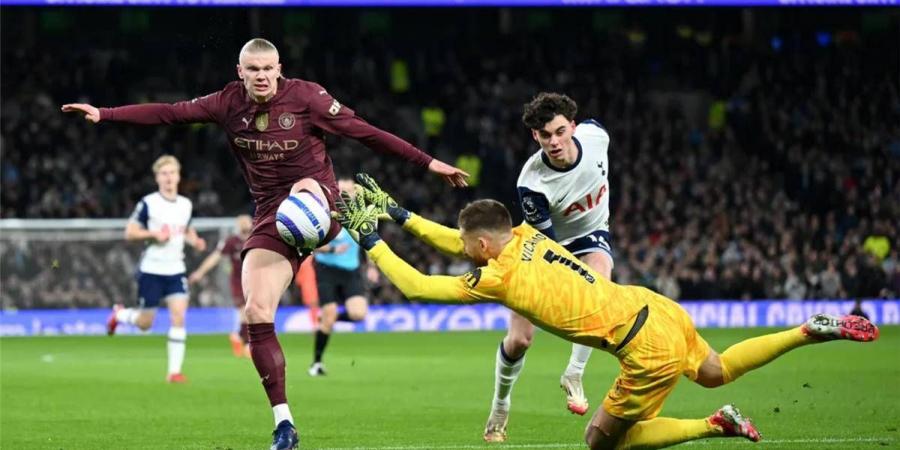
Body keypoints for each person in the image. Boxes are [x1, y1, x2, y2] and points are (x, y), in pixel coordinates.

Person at [62, 38, 468, 450]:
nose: (261, 76)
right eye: (252, 69)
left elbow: (365, 132)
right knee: (256, 311)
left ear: (279, 69)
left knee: (305, 190)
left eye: (268, 68)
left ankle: (328, 218)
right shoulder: (226, 103)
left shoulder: (307, 97)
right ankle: (284, 424)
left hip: (320, 202)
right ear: (240, 71)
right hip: (271, 217)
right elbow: (169, 113)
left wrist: (428, 162)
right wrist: (105, 113)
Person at [338, 174, 879, 450]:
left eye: (468, 242)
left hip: (642, 348)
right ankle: (807, 330)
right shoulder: (523, 233)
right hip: (652, 304)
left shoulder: (498, 278)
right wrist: (398, 214)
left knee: (601, 441)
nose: (463, 245)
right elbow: (460, 242)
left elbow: (418, 287)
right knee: (717, 370)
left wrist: (372, 243)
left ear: (483, 246)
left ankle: (715, 425)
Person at [481, 92, 614, 441]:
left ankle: (574, 372)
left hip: (590, 234)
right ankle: (501, 403)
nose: (553, 142)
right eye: (544, 136)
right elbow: (550, 250)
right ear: (534, 137)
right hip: (541, 247)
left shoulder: (597, 136)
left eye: (559, 131)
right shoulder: (532, 183)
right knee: (521, 340)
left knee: (600, 285)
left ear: (573, 126)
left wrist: (587, 290)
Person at [107, 155, 207, 384]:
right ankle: (120, 314)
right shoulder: (148, 203)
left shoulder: (185, 204)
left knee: (179, 316)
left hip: (176, 269)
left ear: (179, 176)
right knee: (145, 323)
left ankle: (174, 372)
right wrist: (153, 234)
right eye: (164, 173)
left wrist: (196, 241)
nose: (169, 177)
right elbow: (129, 232)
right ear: (157, 177)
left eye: (172, 173)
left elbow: (186, 229)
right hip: (152, 269)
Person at [308, 178, 368, 377]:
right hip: (327, 269)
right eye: (341, 190)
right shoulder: (324, 216)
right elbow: (310, 244)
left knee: (359, 314)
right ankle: (316, 363)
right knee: (329, 314)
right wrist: (333, 248)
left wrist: (374, 266)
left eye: (349, 191)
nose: (345, 194)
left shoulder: (361, 216)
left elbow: (369, 241)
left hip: (351, 270)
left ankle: (328, 318)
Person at [188, 214, 253, 358]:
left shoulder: (257, 239)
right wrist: (199, 272)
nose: (244, 224)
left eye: (246, 221)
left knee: (252, 313)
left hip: (256, 280)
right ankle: (247, 344)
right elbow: (215, 257)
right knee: (244, 311)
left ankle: (238, 337)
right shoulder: (231, 241)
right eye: (241, 222)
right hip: (238, 281)